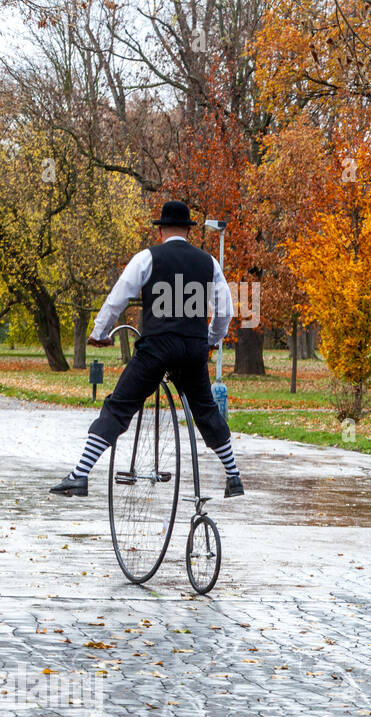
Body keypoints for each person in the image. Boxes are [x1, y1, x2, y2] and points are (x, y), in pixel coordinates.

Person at [49, 200, 244, 499]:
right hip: (192, 349)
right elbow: (225, 311)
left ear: (162, 230)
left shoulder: (147, 258)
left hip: (157, 347)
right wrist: (211, 339)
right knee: (205, 410)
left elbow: (118, 298)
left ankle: (80, 474)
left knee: (119, 406)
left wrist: (100, 333)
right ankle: (234, 477)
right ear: (189, 231)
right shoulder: (209, 263)